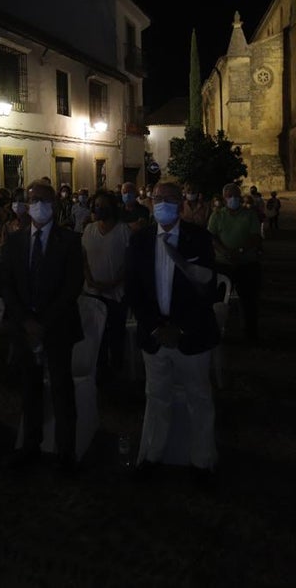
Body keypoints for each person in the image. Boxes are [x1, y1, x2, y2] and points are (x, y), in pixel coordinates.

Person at [126, 181, 220, 483]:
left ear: (181, 205)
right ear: (151, 203)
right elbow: (134, 290)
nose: (163, 203)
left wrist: (179, 328)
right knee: (156, 397)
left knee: (199, 399)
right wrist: (155, 327)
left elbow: (206, 290)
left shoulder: (199, 239)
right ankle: (152, 455)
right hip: (155, 336)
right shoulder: (139, 240)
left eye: (170, 199)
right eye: (158, 198)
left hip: (191, 335)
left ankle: (202, 462)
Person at [0, 179, 85, 474]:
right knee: (29, 388)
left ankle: (65, 452)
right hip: (25, 327)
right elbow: (7, 286)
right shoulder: (13, 240)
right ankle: (30, 445)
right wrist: (25, 321)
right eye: (34, 200)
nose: (39, 206)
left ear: (56, 205)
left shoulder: (71, 241)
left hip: (57, 326)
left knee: (62, 389)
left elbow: (72, 286)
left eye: (45, 201)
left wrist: (43, 322)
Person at [81, 190, 131, 382]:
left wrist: (113, 283)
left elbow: (128, 262)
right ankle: (100, 371)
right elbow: (84, 258)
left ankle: (117, 370)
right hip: (92, 293)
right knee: (96, 336)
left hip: (116, 294)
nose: (97, 208)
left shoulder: (123, 231)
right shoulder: (89, 230)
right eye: (95, 205)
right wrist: (91, 281)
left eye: (102, 205)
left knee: (116, 334)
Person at [208, 183, 262, 344]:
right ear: (224, 199)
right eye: (230, 196)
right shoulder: (217, 215)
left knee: (249, 300)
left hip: (246, 263)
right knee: (218, 300)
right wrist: (225, 251)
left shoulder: (250, 215)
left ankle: (251, 334)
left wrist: (240, 251)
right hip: (223, 264)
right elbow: (212, 236)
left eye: (236, 196)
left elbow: (255, 237)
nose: (234, 199)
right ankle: (215, 331)